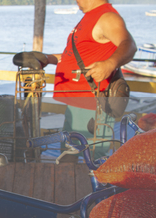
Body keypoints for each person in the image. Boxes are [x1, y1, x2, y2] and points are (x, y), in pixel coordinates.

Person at [48, 0, 136, 159]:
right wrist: (47, 58)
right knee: (67, 155)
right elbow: (75, 57)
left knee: (94, 159)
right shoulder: (90, 17)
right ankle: (70, 183)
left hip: (92, 103)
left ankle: (96, 184)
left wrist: (110, 64)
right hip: (77, 102)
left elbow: (129, 45)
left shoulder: (107, 17)